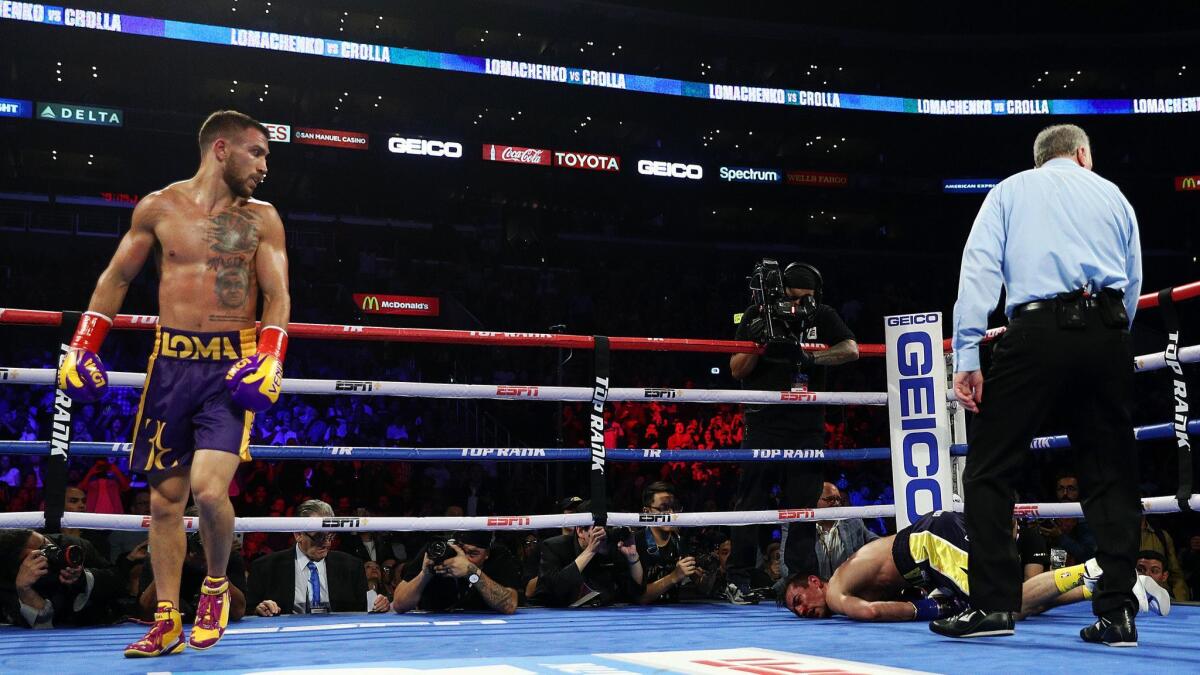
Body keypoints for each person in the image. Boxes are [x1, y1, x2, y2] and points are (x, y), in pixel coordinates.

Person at [56, 109, 290, 657]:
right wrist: (84, 344)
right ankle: (165, 618)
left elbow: (277, 295)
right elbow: (116, 277)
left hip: (231, 367)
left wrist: (272, 356)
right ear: (222, 150)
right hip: (171, 364)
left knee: (209, 491)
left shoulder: (262, 218)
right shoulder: (158, 207)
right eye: (257, 153)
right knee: (164, 502)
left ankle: (214, 586)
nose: (264, 166)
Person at [942, 124, 1143, 646]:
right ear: (1082, 154)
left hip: (1034, 333)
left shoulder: (1010, 190)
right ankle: (1119, 615)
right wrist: (1112, 342)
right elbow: (1133, 279)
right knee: (1111, 476)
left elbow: (978, 271)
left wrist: (967, 354)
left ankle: (991, 608)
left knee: (989, 470)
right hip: (1107, 332)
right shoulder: (1113, 195)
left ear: (1040, 159)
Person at [780, 511, 1169, 624]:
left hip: (929, 543)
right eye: (795, 609)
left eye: (798, 598)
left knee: (1001, 605)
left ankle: (1102, 568)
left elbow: (868, 612)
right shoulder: (853, 578)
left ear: (815, 581)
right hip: (932, 551)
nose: (801, 609)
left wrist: (937, 609)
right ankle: (1108, 584)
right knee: (1019, 606)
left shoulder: (836, 590)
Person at [729, 262, 858, 584]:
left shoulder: (823, 314)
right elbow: (737, 370)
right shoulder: (756, 314)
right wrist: (758, 345)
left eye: (807, 297)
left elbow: (851, 349)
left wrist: (811, 358)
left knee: (802, 504)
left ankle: (800, 577)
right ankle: (740, 578)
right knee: (751, 502)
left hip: (807, 424)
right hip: (763, 422)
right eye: (793, 297)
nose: (800, 304)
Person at [247, 499, 383, 615]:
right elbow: (249, 611)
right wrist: (259, 609)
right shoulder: (265, 567)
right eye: (319, 536)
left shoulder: (352, 566)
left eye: (330, 536)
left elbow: (364, 611)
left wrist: (379, 605)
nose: (327, 543)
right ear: (298, 534)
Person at [138, 507, 247, 624]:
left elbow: (238, 612)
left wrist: (216, 568)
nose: (202, 544)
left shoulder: (228, 557)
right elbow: (145, 612)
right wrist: (171, 564)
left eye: (208, 537)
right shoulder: (161, 557)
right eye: (199, 538)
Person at [0, 528, 126, 628]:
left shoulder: (74, 546)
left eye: (44, 542)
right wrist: (24, 589)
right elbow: (39, 627)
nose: (50, 550)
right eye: (38, 554)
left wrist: (84, 579)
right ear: (18, 566)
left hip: (93, 626)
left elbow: (119, 582)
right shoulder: (7, 579)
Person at [532, 500, 644, 607]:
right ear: (580, 531)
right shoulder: (554, 547)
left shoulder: (613, 546)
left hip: (600, 617)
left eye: (607, 527)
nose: (604, 533)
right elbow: (553, 592)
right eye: (598, 528)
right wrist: (590, 551)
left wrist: (632, 557)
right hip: (551, 616)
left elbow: (636, 593)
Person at [391, 531, 520, 614]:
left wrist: (472, 572)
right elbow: (398, 605)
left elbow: (509, 605)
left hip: (485, 632)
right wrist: (425, 574)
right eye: (462, 551)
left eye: (473, 553)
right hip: (435, 631)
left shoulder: (498, 556)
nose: (464, 558)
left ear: (487, 554)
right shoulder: (437, 550)